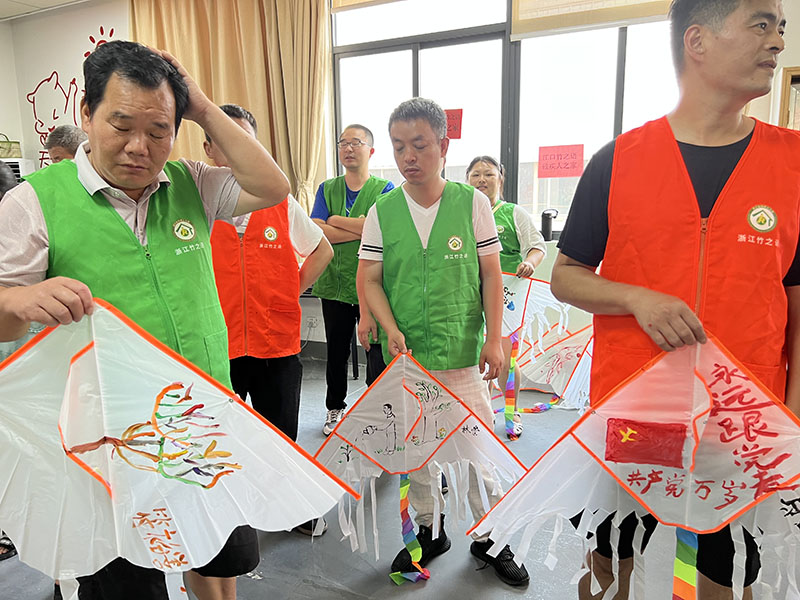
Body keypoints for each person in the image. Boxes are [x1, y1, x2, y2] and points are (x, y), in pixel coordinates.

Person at [0, 41, 290, 600]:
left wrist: (200, 106)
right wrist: (18, 301)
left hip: (200, 421)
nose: (140, 147)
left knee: (216, 559)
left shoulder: (192, 185)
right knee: (128, 583)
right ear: (87, 115)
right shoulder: (35, 203)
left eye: (159, 130)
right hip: (111, 441)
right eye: (121, 125)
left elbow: (271, 187)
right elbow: (3, 320)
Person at [550, 0, 792, 598]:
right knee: (610, 563)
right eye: (761, 24)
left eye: (781, 27)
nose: (778, 41)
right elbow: (566, 277)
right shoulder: (618, 161)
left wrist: (792, 411)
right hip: (637, 408)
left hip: (743, 414)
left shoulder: (793, 164)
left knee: (726, 572)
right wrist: (637, 298)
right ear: (697, 41)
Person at [359, 97, 529, 587]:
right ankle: (429, 532)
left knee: (476, 451)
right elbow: (370, 278)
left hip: (461, 352)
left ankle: (490, 536)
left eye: (419, 145)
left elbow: (491, 275)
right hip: (408, 358)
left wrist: (494, 339)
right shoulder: (383, 210)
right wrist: (387, 325)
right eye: (398, 147)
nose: (408, 156)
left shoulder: (471, 203)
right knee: (418, 453)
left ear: (443, 145)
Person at [206, 103, 333, 536]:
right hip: (217, 343)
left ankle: (288, 508)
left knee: (280, 432)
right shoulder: (198, 207)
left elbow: (322, 250)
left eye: (245, 141)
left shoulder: (280, 202)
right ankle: (224, 510)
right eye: (226, 141)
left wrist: (289, 290)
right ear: (209, 148)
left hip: (274, 340)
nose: (236, 151)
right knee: (218, 434)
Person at [311, 124, 394, 436]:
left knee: (376, 348)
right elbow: (317, 230)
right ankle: (335, 407)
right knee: (336, 351)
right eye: (343, 142)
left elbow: (381, 231)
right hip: (334, 284)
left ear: (370, 151)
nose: (348, 148)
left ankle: (378, 410)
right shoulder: (326, 188)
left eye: (356, 142)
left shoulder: (385, 189)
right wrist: (359, 227)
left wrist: (334, 221)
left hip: (373, 284)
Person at [466, 156, 546, 439]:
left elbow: (537, 246)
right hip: (469, 294)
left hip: (507, 296)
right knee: (476, 356)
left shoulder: (513, 213)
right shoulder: (461, 213)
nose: (482, 180)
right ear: (467, 180)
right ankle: (483, 413)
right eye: (475, 174)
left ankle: (512, 413)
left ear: (500, 179)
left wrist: (530, 263)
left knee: (505, 358)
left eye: (488, 174)